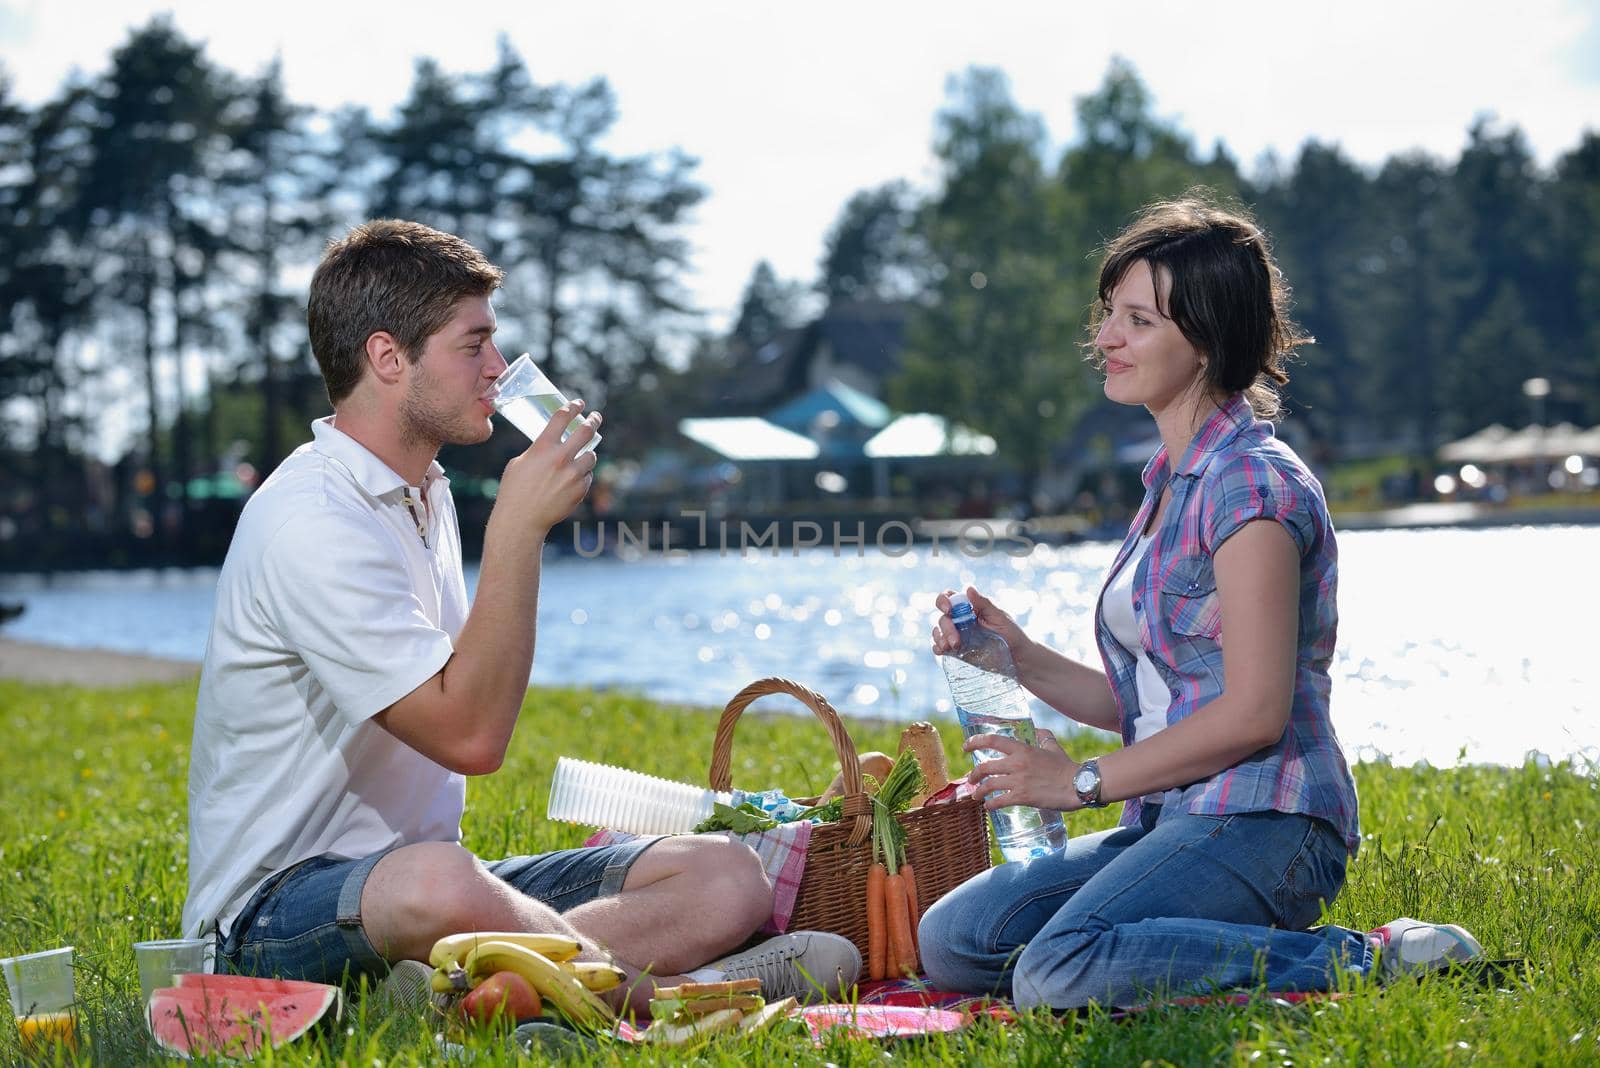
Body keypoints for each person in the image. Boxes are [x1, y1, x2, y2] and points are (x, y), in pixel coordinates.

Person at [183, 220, 858, 1013]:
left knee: (725, 873)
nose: (499, 371)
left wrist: (510, 527)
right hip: (272, 916)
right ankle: (668, 996)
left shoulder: (422, 492)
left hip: (417, 876)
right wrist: (516, 532)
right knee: (440, 880)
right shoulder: (313, 520)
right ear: (387, 357)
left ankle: (472, 983)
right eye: (474, 346)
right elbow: (470, 738)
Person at [918, 192, 1482, 1010]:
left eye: (1139, 321)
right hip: (1172, 819)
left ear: (1209, 340)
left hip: (1268, 825)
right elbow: (1155, 706)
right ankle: (1168, 952)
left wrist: (1077, 783)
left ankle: (1369, 959)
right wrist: (1015, 654)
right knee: (954, 940)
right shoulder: (1168, 485)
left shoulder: (1252, 483)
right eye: (1111, 312)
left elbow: (1254, 714)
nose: (1107, 337)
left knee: (1055, 970)